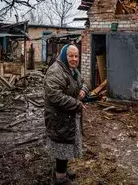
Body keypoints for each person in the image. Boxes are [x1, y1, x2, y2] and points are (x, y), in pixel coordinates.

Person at [44, 44, 89, 185]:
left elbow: (84, 82)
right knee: (62, 147)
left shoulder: (72, 70)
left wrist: (84, 90)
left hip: (68, 116)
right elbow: (55, 96)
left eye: (76, 56)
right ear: (64, 55)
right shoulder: (56, 71)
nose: (74, 59)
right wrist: (77, 104)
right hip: (59, 118)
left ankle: (61, 171)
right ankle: (60, 179)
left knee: (66, 146)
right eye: (71, 55)